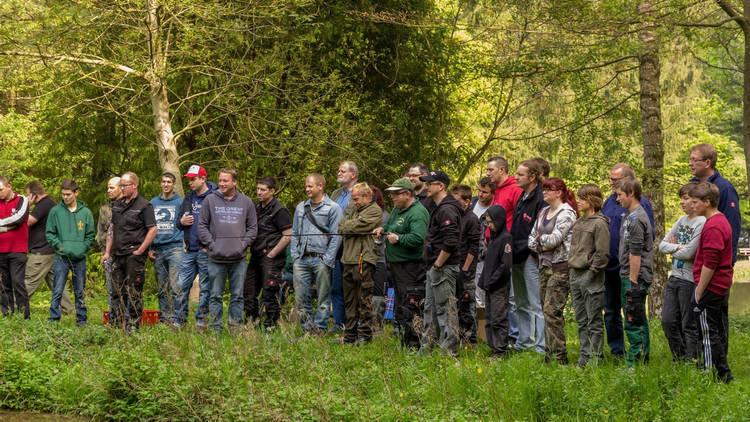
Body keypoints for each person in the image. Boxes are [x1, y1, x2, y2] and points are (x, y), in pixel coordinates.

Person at [688, 143, 741, 358]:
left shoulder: (724, 188)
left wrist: (727, 263)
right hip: (699, 262)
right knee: (699, 316)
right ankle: (701, 357)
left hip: (717, 266)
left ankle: (719, 361)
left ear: (707, 163)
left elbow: (731, 228)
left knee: (716, 316)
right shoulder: (693, 186)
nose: (690, 163)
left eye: (694, 159)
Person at [601, 163, 654, 358]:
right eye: (611, 180)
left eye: (616, 180)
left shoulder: (640, 208)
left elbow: (641, 244)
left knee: (634, 311)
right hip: (611, 266)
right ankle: (618, 352)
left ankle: (639, 355)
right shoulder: (610, 201)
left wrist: (633, 277)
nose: (612, 184)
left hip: (632, 270)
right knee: (611, 311)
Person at [198, 168, 257, 333]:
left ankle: (235, 328)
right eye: (220, 180)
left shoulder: (246, 202)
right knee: (215, 295)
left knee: (237, 296)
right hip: (216, 258)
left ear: (234, 182)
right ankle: (216, 329)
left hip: (238, 259)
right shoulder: (210, 200)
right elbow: (202, 226)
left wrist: (243, 244)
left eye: (226, 180)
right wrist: (212, 244)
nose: (222, 184)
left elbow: (252, 228)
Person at [528, 177, 577, 364]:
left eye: (549, 189)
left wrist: (541, 240)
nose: (545, 192)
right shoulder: (543, 212)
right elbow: (531, 240)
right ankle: (549, 354)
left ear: (559, 192)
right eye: (544, 189)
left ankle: (559, 356)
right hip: (544, 266)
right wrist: (542, 241)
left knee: (552, 310)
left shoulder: (567, 213)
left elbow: (555, 239)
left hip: (560, 267)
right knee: (544, 310)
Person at [376, 177, 429, 349]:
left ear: (407, 194)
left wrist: (398, 238)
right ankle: (405, 342)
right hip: (396, 265)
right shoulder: (397, 210)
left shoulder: (418, 212)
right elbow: (391, 225)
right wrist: (382, 230)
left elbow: (418, 238)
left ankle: (414, 344)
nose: (393, 198)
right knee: (401, 305)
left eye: (396, 194)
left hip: (411, 267)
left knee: (411, 305)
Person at [689, 182, 734, 383]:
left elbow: (711, 263)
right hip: (717, 285)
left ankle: (708, 375)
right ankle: (724, 373)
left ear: (707, 202)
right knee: (712, 329)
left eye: (695, 201)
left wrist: (699, 290)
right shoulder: (718, 221)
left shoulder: (715, 225)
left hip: (711, 286)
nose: (691, 204)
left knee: (707, 332)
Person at [103, 172, 157, 332]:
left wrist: (140, 250)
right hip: (117, 254)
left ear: (134, 185)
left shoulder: (144, 205)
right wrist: (107, 251)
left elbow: (153, 229)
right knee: (116, 291)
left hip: (133, 255)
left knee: (134, 291)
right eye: (120, 186)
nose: (121, 188)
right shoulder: (118, 205)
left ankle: (133, 326)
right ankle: (116, 323)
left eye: (124, 186)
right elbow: (112, 229)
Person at [290, 173, 342, 333]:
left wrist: (328, 259)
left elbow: (336, 236)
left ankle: (320, 328)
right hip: (302, 259)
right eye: (306, 186)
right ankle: (307, 328)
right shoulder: (301, 207)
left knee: (323, 297)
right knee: (301, 297)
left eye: (310, 186)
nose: (307, 189)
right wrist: (295, 255)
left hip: (321, 259)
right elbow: (294, 233)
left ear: (320, 186)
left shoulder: (333, 208)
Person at [419, 170, 463, 356]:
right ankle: (427, 349)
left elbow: (451, 241)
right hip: (434, 266)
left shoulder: (447, 209)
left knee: (446, 310)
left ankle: (449, 352)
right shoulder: (436, 206)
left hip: (444, 267)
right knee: (430, 309)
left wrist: (438, 265)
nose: (426, 187)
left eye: (430, 183)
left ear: (441, 186)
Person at [659, 183, 703, 362]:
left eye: (685, 198)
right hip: (674, 277)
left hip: (689, 280)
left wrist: (676, 249)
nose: (682, 203)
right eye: (681, 199)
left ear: (695, 200)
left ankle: (692, 361)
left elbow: (690, 253)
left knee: (688, 324)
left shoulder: (702, 222)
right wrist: (678, 246)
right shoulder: (681, 220)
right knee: (668, 321)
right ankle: (679, 357)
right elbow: (662, 245)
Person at [568, 184, 610, 367]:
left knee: (594, 319)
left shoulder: (600, 224)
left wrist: (592, 272)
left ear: (592, 200)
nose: (579, 201)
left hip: (591, 276)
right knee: (581, 319)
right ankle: (584, 356)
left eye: (583, 198)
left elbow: (602, 253)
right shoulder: (579, 222)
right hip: (574, 274)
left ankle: (596, 357)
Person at [244, 177, 292, 329]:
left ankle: (271, 325)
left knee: (269, 293)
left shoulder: (280, 210)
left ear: (272, 191)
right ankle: (252, 323)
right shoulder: (256, 208)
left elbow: (289, 234)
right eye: (257, 189)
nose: (259, 192)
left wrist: (273, 253)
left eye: (263, 190)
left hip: (271, 258)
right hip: (256, 255)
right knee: (249, 291)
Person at [614, 178, 653, 366]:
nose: (617, 199)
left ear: (631, 194)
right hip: (630, 274)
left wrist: (632, 282)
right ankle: (643, 359)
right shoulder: (631, 216)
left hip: (634, 276)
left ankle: (635, 362)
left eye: (620, 195)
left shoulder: (636, 219)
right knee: (638, 316)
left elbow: (635, 252)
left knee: (632, 318)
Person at [45, 179, 95, 324]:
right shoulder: (55, 211)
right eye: (63, 194)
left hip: (79, 257)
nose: (65, 197)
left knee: (79, 290)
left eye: (68, 194)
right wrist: (60, 246)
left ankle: (81, 320)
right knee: (57, 289)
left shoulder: (86, 212)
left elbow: (90, 234)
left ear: (76, 193)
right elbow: (49, 233)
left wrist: (83, 248)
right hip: (61, 257)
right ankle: (54, 319)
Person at [338, 182, 382, 344]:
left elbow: (356, 226)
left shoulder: (374, 210)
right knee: (349, 300)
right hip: (347, 259)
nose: (354, 202)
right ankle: (350, 335)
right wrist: (349, 225)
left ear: (367, 197)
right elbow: (341, 225)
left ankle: (364, 335)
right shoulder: (352, 209)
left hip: (363, 259)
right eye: (353, 199)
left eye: (356, 199)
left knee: (364, 299)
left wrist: (349, 226)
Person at [510, 160, 546, 354]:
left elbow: (538, 231)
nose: (516, 177)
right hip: (515, 256)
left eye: (520, 174)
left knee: (536, 303)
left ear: (532, 177)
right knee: (521, 302)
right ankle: (524, 342)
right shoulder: (523, 196)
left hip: (531, 257)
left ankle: (541, 346)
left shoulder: (540, 198)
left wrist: (528, 252)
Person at [486, 155, 523, 343]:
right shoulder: (497, 191)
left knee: (511, 297)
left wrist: (512, 244)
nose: (487, 173)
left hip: (507, 248)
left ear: (502, 170)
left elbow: (518, 219)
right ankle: (503, 336)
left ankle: (515, 336)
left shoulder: (515, 190)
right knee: (496, 294)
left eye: (490, 170)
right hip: (493, 246)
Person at [174, 165, 215, 328]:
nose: (190, 182)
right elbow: (179, 222)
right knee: (181, 286)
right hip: (189, 250)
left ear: (203, 179)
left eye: (193, 179)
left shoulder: (214, 197)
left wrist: (211, 245)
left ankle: (201, 321)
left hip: (206, 251)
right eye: (189, 179)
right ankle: (179, 320)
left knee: (205, 289)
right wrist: (181, 222)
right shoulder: (189, 198)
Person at [23, 181, 73, 313]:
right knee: (57, 282)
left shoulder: (43, 204)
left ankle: (17, 308)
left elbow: (27, 222)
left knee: (28, 280)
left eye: (28, 195)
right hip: (51, 250)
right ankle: (67, 309)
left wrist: (26, 206)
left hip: (42, 252)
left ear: (33, 195)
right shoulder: (49, 203)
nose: (27, 198)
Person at [477, 205, 513, 358]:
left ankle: (500, 350)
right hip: (489, 285)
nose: (489, 226)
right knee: (490, 319)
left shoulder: (506, 238)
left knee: (499, 319)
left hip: (498, 286)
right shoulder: (493, 238)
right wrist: (483, 281)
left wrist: (492, 281)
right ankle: (493, 347)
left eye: (491, 222)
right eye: (487, 223)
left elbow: (505, 265)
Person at [149, 172, 184, 323]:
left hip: (175, 248)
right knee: (162, 287)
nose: (166, 184)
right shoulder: (153, 202)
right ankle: (165, 318)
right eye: (163, 181)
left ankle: (178, 319)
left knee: (176, 286)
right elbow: (150, 227)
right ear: (160, 183)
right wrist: (150, 248)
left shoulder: (180, 202)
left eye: (169, 182)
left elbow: (185, 225)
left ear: (173, 184)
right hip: (158, 249)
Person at [330, 160, 359, 331]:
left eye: (342, 171)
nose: (339, 173)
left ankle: (354, 324)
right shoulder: (335, 194)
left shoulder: (361, 192)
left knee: (353, 286)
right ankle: (338, 323)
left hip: (352, 246)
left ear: (353, 175)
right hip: (335, 245)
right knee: (336, 286)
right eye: (338, 170)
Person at [451, 184, 481, 344]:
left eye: (457, 201)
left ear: (467, 201)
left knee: (467, 305)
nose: (454, 204)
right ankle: (458, 338)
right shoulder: (455, 216)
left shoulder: (472, 219)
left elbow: (474, 247)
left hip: (466, 270)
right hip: (454, 266)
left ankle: (471, 340)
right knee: (455, 304)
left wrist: (465, 268)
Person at [0, 176, 31, 319]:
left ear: (9, 186)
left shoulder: (22, 200)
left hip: (17, 250)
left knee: (17, 282)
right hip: (1, 250)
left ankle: (24, 315)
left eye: (0, 189)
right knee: (3, 284)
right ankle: (8, 314)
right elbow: (13, 224)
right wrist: (7, 227)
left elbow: (19, 219)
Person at [97, 177, 121, 309]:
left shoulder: (128, 206)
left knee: (125, 287)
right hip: (109, 253)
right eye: (108, 187)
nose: (108, 190)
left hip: (125, 252)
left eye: (112, 187)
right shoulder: (105, 209)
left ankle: (128, 317)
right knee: (111, 288)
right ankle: (113, 317)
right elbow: (100, 232)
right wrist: (104, 249)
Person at [472, 177, 495, 309]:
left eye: (485, 192)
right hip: (469, 254)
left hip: (485, 256)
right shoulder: (472, 203)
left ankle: (483, 328)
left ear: (493, 193)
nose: (480, 194)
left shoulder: (495, 208)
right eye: (479, 190)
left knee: (481, 295)